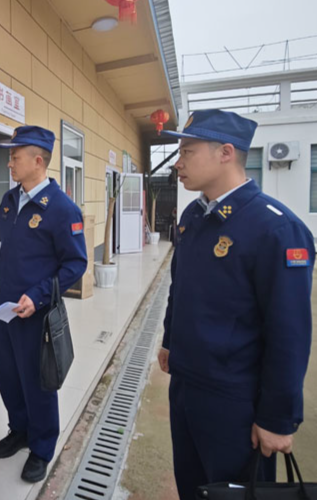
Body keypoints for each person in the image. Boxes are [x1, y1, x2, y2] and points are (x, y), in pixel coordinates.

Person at [158, 109, 314, 500]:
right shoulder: (194, 216)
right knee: (192, 485)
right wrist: (169, 340)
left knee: (234, 491)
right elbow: (181, 286)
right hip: (186, 384)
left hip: (234, 400)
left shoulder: (276, 229)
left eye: (188, 152)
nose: (178, 164)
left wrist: (277, 418)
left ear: (226, 153)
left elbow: (289, 333)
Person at [0, 125, 87, 483]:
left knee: (38, 383)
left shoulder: (62, 209)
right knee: (8, 377)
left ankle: (41, 447)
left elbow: (75, 264)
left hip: (35, 314)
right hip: (4, 309)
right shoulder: (11, 199)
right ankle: (20, 430)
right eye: (9, 156)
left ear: (38, 161)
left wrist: (39, 295)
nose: (9, 162)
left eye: (15, 156)